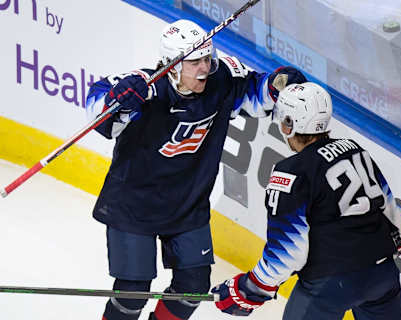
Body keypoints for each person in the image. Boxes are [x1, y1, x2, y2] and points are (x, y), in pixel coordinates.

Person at [85, 19, 306, 320]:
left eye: (207, 58)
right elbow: (98, 107)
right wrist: (117, 100)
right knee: (133, 292)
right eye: (194, 62)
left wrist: (277, 85)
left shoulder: (220, 80)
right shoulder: (144, 87)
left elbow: (256, 92)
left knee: (193, 288)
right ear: (172, 65)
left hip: (187, 205)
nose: (204, 68)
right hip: (134, 207)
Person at [211, 82, 401, 320]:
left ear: (289, 124)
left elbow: (289, 252)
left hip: (330, 284)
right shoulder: (354, 149)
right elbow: (394, 216)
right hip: (383, 274)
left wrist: (249, 288)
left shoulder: (290, 173)